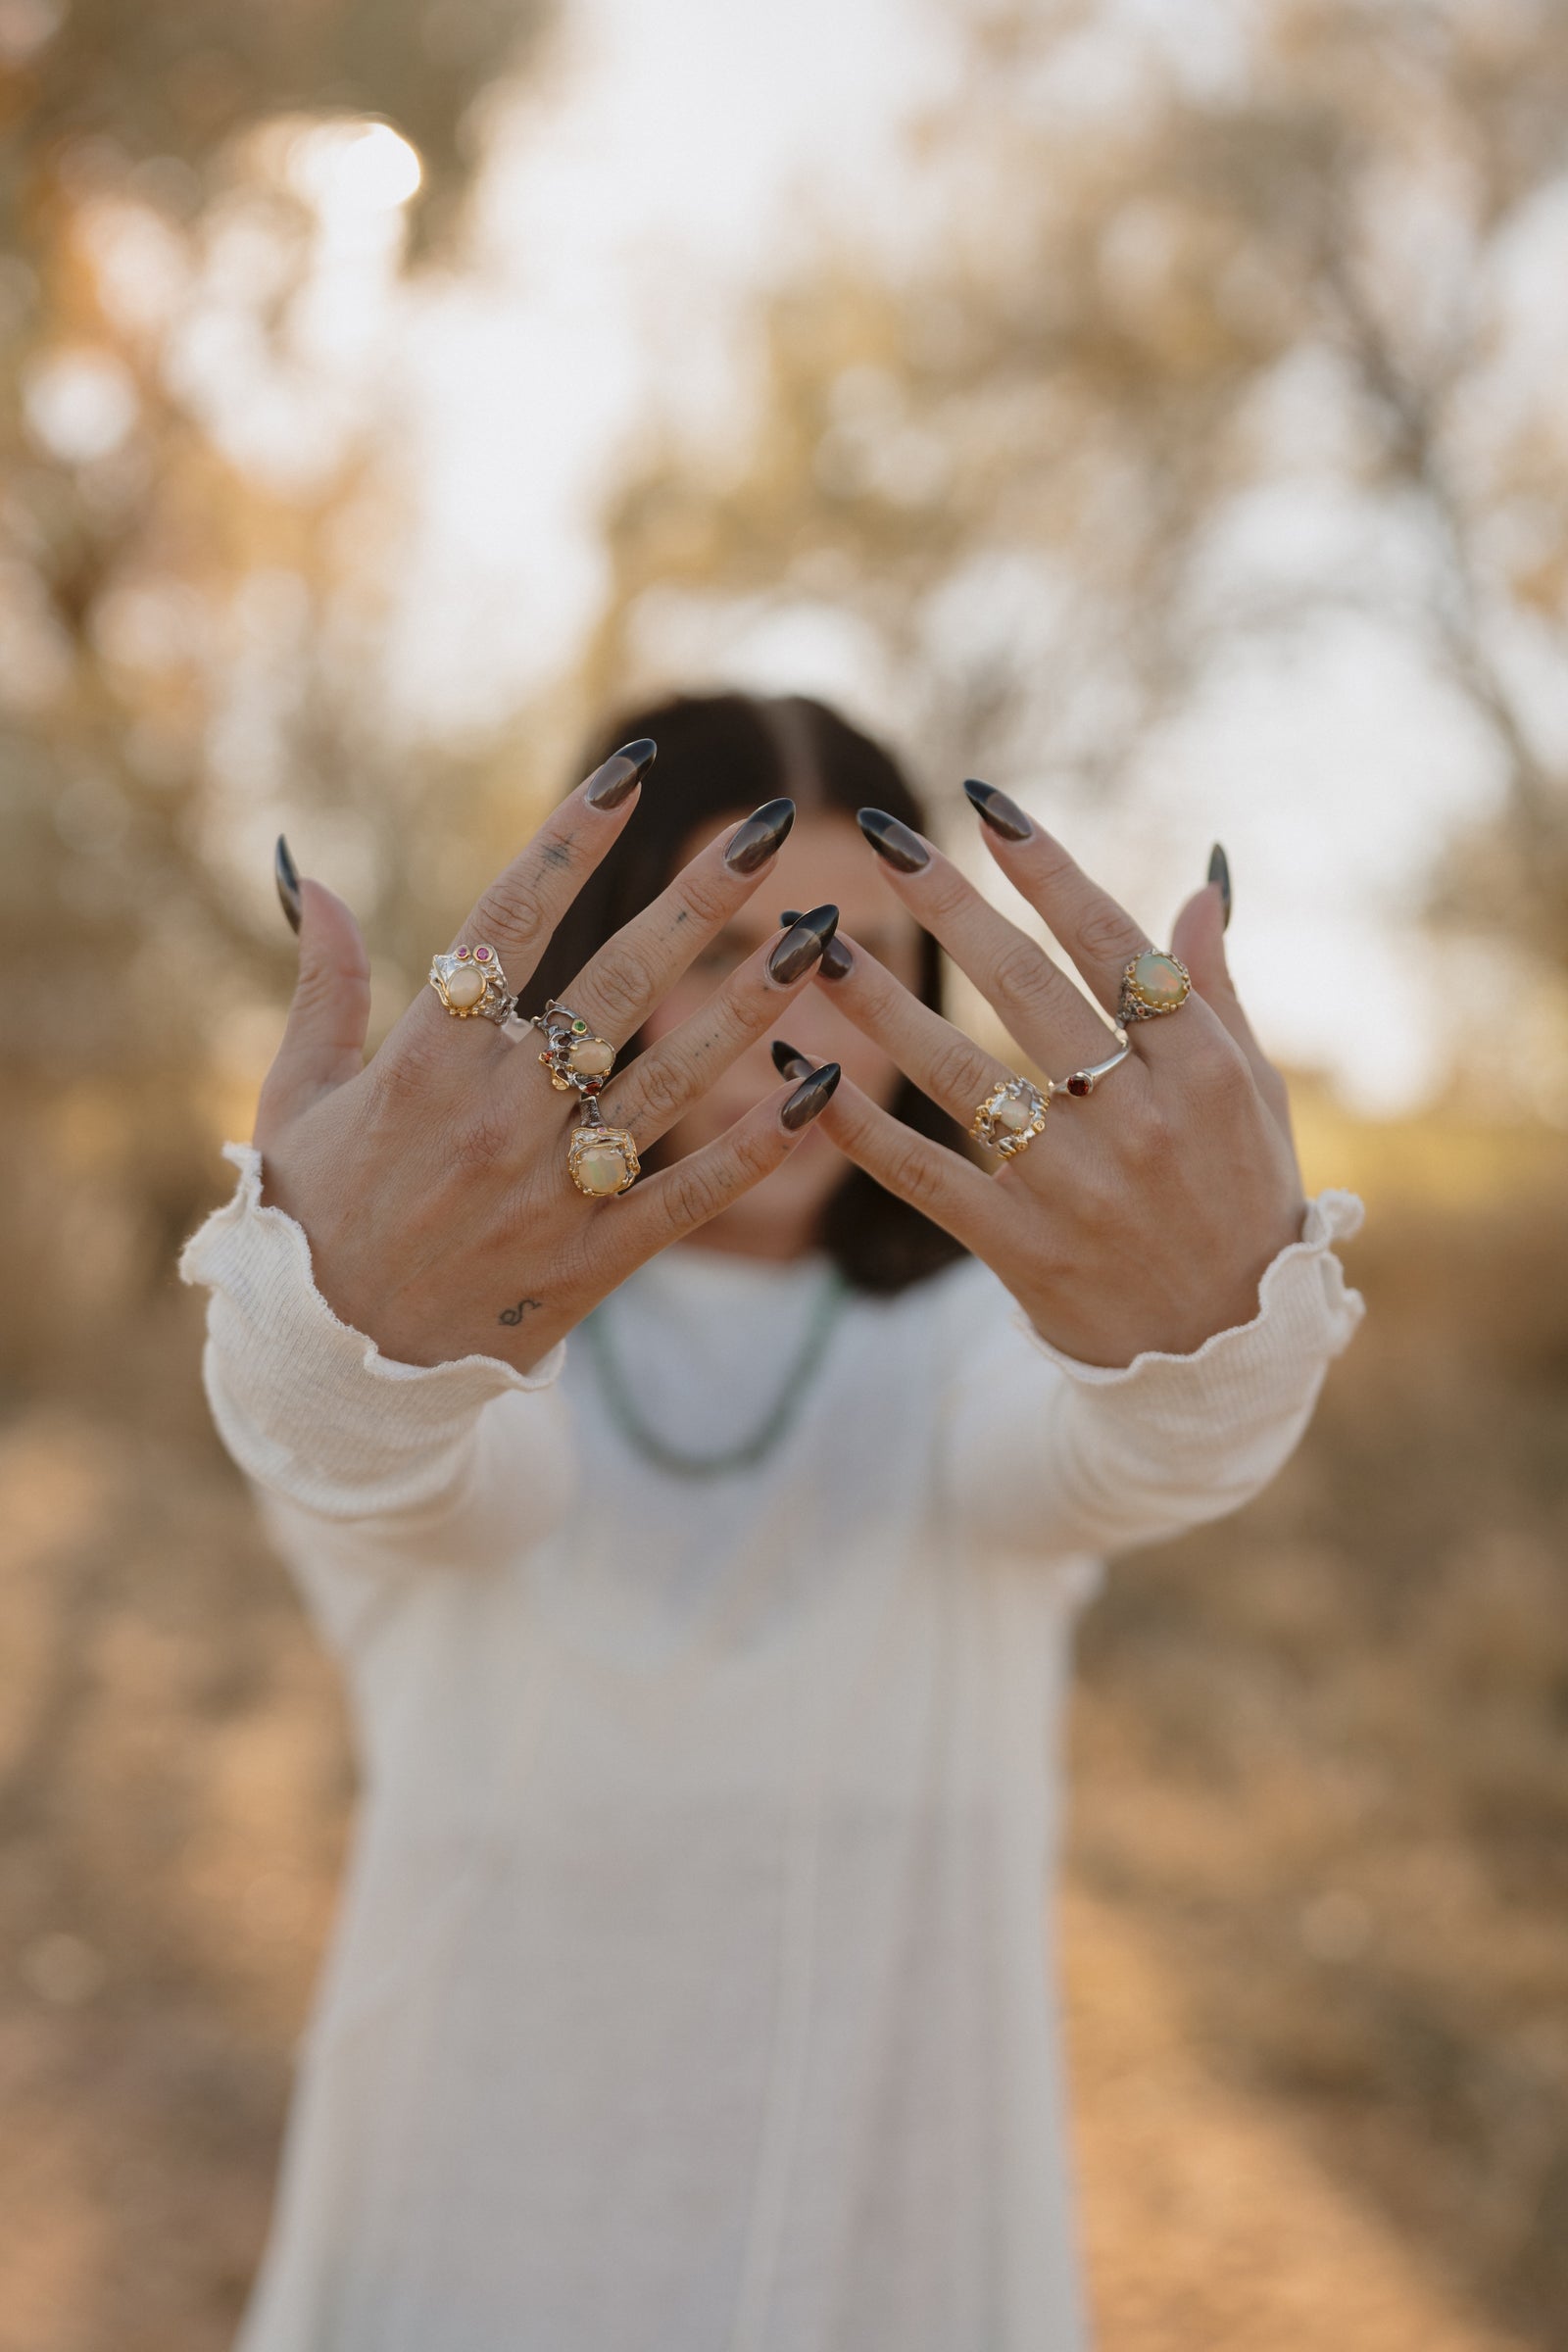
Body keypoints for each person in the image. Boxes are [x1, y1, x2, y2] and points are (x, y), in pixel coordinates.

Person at [179, 690, 1365, 2351]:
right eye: (730, 950)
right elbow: (388, 1463)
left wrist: (1212, 1333)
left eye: (859, 957)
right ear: (599, 968)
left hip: (889, 2236)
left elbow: (1132, 1455)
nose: (806, 1024)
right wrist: (345, 1335)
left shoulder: (983, 1351)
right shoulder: (471, 1345)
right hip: (480, 2219)